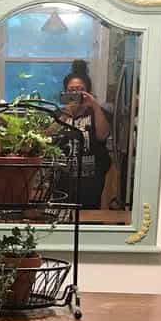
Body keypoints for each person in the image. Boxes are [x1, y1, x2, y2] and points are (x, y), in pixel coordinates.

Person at [54, 59, 112, 210]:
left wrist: (94, 105)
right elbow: (48, 138)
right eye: (71, 90)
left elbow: (102, 135)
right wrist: (65, 115)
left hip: (91, 179)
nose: (75, 94)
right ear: (65, 92)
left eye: (80, 90)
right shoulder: (59, 114)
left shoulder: (98, 113)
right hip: (63, 178)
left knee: (89, 219)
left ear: (88, 92)